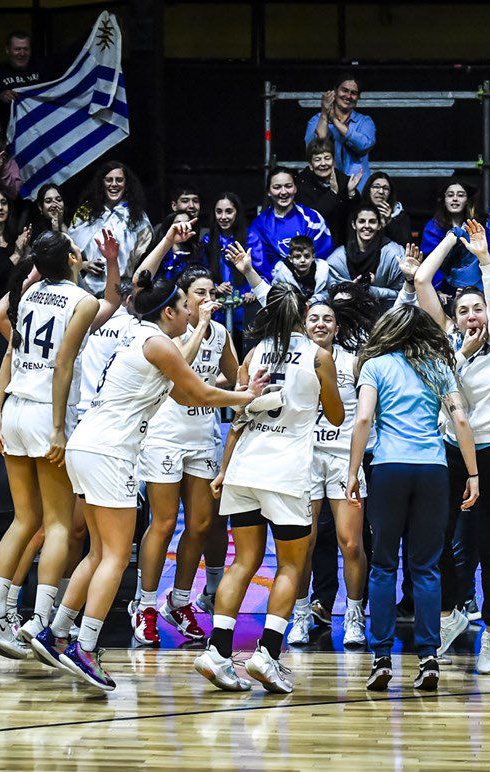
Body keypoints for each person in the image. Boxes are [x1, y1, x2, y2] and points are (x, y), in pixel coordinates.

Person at [30, 224, 266, 692]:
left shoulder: (146, 338)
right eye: (183, 306)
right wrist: (248, 398)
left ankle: (54, 631)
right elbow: (196, 390)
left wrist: (202, 336)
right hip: (111, 452)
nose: (188, 310)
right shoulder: (158, 344)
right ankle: (86, 644)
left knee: (98, 552)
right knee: (117, 555)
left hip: (88, 445)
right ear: (169, 312)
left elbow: (182, 392)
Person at [0, 230, 119, 658]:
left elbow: (11, 355)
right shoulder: (81, 300)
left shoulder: (29, 292)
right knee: (56, 524)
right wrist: (58, 428)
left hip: (15, 408)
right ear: (74, 257)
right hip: (44, 414)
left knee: (24, 519)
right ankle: (39, 623)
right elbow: (63, 366)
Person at [195, 284, 343, 695]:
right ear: (303, 314)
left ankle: (218, 652)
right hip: (286, 472)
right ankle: (267, 655)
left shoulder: (254, 353)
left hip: (245, 466)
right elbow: (335, 415)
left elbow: (239, 417)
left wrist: (224, 469)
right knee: (291, 566)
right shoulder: (319, 356)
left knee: (242, 562)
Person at [346, 304, 479, 692]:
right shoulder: (438, 366)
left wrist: (353, 472)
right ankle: (428, 658)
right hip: (433, 471)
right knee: (426, 567)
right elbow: (460, 419)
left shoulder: (375, 366)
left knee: (383, 565)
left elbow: (364, 419)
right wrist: (473, 473)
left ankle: (382, 657)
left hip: (389, 469)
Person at [413, 221, 490, 674]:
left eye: (478, 309)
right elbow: (421, 281)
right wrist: (450, 240)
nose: (474, 315)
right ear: (454, 318)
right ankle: (452, 613)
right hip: (451, 452)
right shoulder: (445, 348)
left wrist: (482, 258)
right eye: (465, 310)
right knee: (439, 544)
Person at [130, 232, 238, 646]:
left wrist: (223, 386)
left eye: (212, 291)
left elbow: (232, 377)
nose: (208, 298)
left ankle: (179, 601)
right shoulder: (169, 334)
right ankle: (144, 604)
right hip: (164, 436)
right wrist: (203, 328)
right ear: (184, 300)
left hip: (203, 435)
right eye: (200, 293)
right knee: (164, 522)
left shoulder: (220, 334)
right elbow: (183, 369)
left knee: (201, 523)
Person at [285, 292, 376, 648]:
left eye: (327, 320)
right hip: (304, 459)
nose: (320, 324)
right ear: (304, 326)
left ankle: (354, 617)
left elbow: (368, 414)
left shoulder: (354, 362)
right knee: (302, 544)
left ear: (337, 328)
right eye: (314, 319)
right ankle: (301, 614)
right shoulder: (295, 360)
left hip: (342, 459)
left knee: (351, 542)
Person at [68, 160, 153, 295]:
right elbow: (68, 248)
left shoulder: (138, 217)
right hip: (85, 291)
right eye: (109, 180)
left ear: (126, 184)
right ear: (102, 183)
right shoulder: (86, 212)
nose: (114, 184)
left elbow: (144, 258)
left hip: (122, 292)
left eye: (119, 180)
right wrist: (83, 265)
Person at [246, 166, 333, 281]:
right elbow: (260, 267)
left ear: (295, 188)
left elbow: (322, 257)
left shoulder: (312, 219)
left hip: (312, 284)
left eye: (288, 186)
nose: (283, 192)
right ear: (268, 191)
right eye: (277, 187)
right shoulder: (260, 225)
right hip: (276, 287)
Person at [305, 74, 376, 190]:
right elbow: (313, 148)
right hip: (325, 188)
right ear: (335, 91)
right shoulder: (316, 120)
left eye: (353, 93)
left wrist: (335, 121)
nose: (348, 96)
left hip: (358, 188)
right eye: (344, 90)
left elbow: (363, 146)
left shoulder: (365, 122)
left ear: (358, 97)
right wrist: (324, 114)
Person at [327, 203, 405, 302]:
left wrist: (372, 291)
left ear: (379, 225)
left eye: (372, 222)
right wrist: (350, 290)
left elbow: (404, 293)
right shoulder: (337, 258)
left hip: (385, 313)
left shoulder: (395, 254)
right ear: (354, 225)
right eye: (361, 221)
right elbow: (329, 293)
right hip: (347, 313)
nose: (367, 226)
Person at [296, 136, 361, 246]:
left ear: (334, 162)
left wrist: (351, 194)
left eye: (327, 158)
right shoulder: (300, 184)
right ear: (311, 165)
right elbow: (312, 219)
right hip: (312, 246)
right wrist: (333, 193)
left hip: (341, 245)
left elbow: (355, 216)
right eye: (317, 159)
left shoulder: (344, 181)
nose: (323, 163)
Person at [420, 177, 482, 292]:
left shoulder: (477, 226)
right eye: (450, 195)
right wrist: (435, 290)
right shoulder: (433, 227)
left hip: (474, 286)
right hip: (442, 286)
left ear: (467, 200)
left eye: (460, 195)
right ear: (444, 200)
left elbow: (487, 258)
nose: (455, 199)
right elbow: (429, 261)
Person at [0, 31, 48, 125]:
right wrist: (0, 96)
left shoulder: (42, 71)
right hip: (9, 127)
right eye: (17, 49)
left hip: (38, 126)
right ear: (7, 50)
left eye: (26, 49)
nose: (22, 53)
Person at [272, 235, 332, 303]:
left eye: (307, 256)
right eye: (297, 257)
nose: (303, 260)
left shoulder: (322, 270)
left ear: (313, 257)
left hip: (315, 306)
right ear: (290, 259)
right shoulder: (282, 275)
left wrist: (312, 301)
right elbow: (276, 296)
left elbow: (330, 291)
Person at [363, 171, 411, 246]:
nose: (381, 191)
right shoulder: (358, 212)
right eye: (376, 187)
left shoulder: (399, 215)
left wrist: (389, 222)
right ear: (368, 189)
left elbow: (405, 244)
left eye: (385, 188)